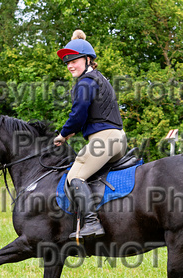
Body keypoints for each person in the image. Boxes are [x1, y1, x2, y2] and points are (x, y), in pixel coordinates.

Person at [54, 30, 127, 241]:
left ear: (87, 60)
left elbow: (78, 114)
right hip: (117, 138)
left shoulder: (85, 82)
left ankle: (92, 223)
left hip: (104, 141)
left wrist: (63, 134)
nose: (69, 65)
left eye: (74, 60)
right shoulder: (99, 78)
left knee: (74, 177)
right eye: (67, 62)